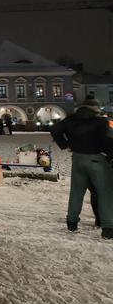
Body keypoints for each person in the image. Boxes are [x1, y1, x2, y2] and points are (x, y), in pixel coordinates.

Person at [50, 95, 113, 239]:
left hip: (77, 158)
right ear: (96, 109)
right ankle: (108, 227)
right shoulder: (100, 122)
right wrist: (110, 155)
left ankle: (72, 222)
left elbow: (55, 129)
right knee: (105, 193)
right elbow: (108, 140)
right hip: (97, 160)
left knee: (76, 192)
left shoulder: (71, 119)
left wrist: (66, 144)